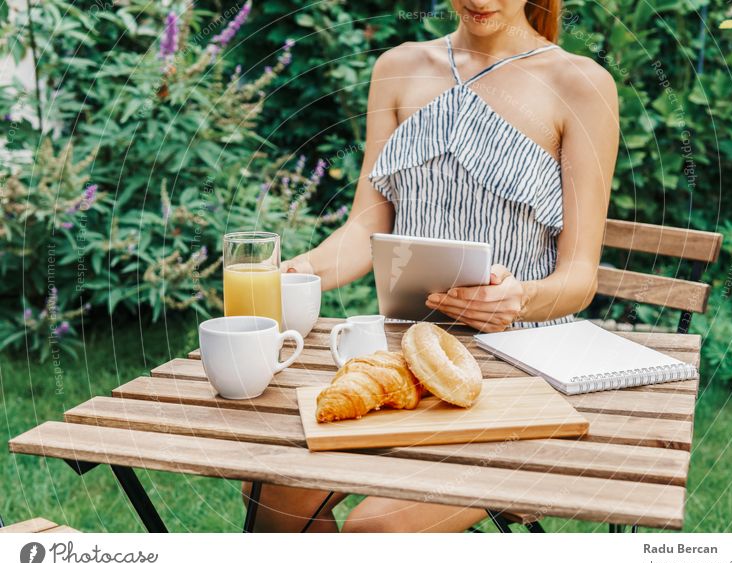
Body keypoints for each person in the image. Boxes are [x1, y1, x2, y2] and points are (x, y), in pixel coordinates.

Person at [243, 0, 619, 532]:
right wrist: (296, 270)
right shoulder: (398, 68)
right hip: (404, 367)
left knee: (375, 532)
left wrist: (519, 300)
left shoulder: (582, 83)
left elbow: (580, 278)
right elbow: (362, 230)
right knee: (272, 493)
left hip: (518, 381)